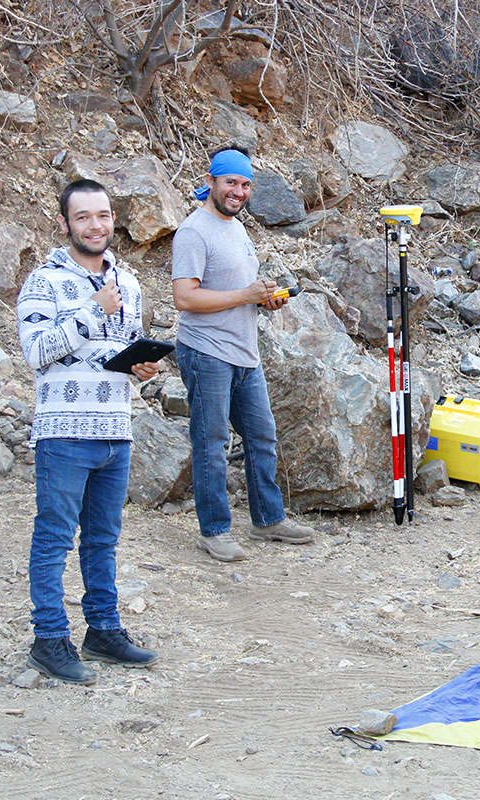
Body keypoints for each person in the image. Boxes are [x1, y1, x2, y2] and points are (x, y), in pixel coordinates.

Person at [17, 179, 162, 684]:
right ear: (65, 224)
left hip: (115, 428)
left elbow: (124, 348)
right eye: (83, 217)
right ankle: (49, 639)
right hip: (64, 431)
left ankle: (102, 629)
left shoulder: (130, 282)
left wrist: (141, 368)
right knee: (54, 537)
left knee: (103, 540)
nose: (95, 225)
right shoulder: (43, 281)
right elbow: (36, 352)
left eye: (102, 215)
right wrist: (91, 311)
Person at [172, 147, 316, 563]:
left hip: (244, 352)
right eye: (231, 182)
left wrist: (263, 299)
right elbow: (184, 297)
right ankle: (214, 530)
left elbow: (238, 291)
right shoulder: (194, 232)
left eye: (246, 184)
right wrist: (245, 295)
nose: (238, 191)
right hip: (207, 352)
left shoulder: (236, 227)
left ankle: (268, 519)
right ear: (212, 181)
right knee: (211, 441)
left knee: (261, 435)